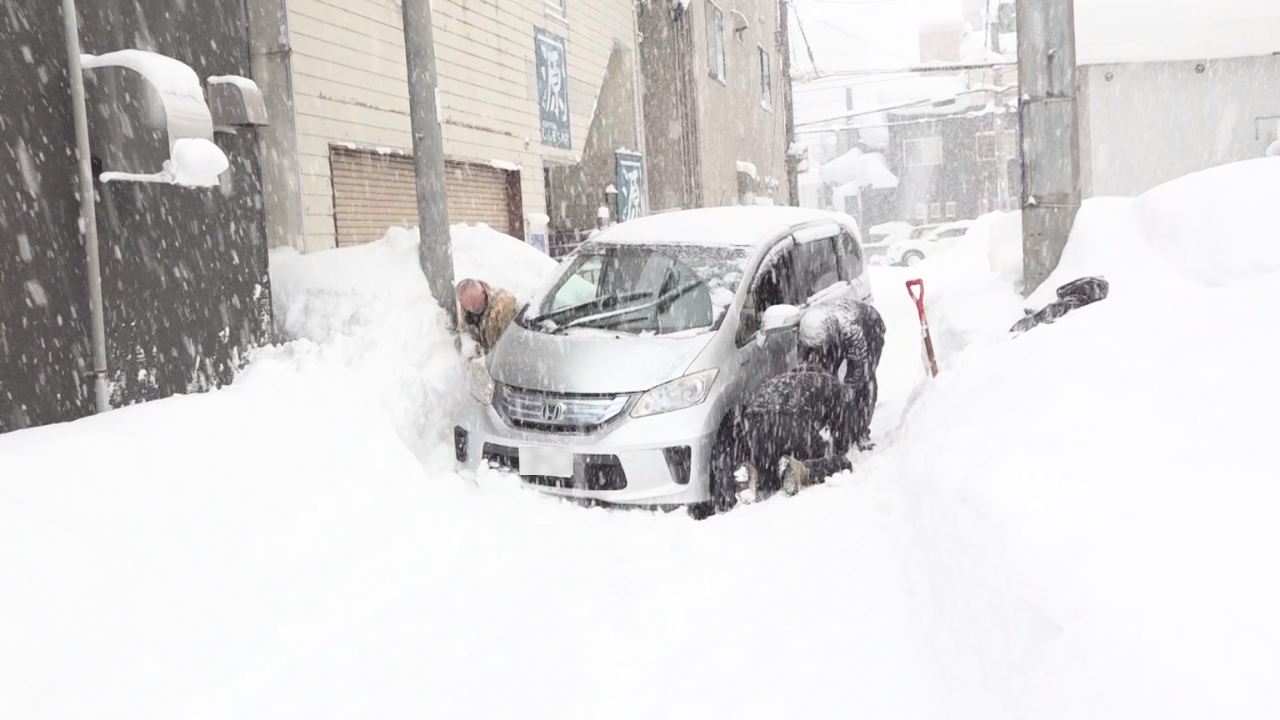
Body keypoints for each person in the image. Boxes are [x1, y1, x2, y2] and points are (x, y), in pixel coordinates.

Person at [799, 288, 886, 452]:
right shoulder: (808, 328)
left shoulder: (850, 330)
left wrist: (849, 389)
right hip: (832, 332)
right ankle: (836, 424)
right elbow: (808, 363)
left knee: (865, 381)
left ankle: (861, 431)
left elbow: (858, 367)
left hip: (870, 326)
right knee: (825, 378)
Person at [455, 278, 517, 356]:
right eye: (466, 303)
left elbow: (510, 342)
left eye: (474, 300)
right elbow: (465, 332)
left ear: (483, 293)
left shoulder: (504, 307)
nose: (471, 306)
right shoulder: (466, 312)